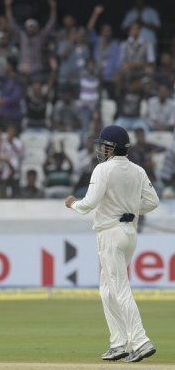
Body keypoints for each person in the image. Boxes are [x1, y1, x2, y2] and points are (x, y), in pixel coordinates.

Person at [65, 125, 159, 363]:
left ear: (112, 147)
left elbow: (89, 203)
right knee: (107, 291)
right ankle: (118, 343)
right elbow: (153, 202)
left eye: (103, 145)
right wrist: (130, 210)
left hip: (110, 234)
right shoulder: (138, 170)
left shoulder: (103, 170)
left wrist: (72, 203)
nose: (100, 149)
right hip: (129, 234)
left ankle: (140, 341)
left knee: (119, 289)